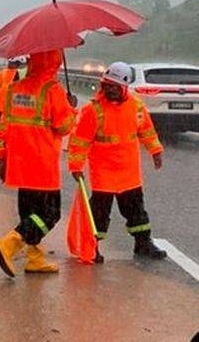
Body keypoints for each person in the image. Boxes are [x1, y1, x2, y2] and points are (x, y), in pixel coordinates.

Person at [67, 62, 167, 261]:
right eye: (107, 85)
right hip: (103, 170)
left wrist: (155, 150)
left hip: (129, 170)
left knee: (136, 210)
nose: (110, 89)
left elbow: (146, 131)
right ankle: (91, 247)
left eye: (115, 86)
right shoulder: (92, 110)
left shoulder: (136, 106)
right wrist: (76, 166)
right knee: (99, 212)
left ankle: (143, 243)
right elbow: (79, 142)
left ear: (124, 87)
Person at [0, 50, 76, 277]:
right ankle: (9, 244)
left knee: (29, 214)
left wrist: (1, 156)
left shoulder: (14, 88)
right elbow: (65, 126)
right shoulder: (52, 90)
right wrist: (72, 107)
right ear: (54, 62)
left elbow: (3, 127)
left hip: (18, 164)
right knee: (50, 214)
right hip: (42, 165)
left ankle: (35, 259)